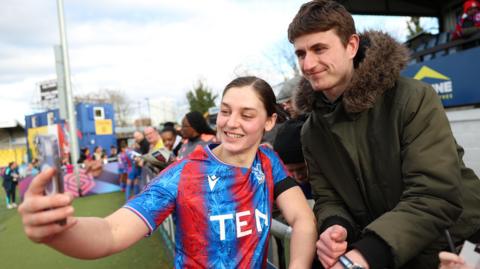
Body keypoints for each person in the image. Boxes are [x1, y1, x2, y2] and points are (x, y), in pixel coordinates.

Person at [18, 76, 317, 268]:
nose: (231, 122)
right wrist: (59, 232)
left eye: (247, 114)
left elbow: (302, 218)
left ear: (269, 122)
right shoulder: (183, 174)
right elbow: (111, 232)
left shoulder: (267, 160)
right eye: (225, 111)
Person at [288, 1, 480, 268]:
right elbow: (328, 197)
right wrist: (335, 227)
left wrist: (365, 254)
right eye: (300, 53)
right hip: (385, 252)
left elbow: (434, 194)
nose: (308, 64)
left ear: (351, 46)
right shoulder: (311, 131)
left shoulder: (412, 97)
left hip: (454, 248)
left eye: (319, 49)